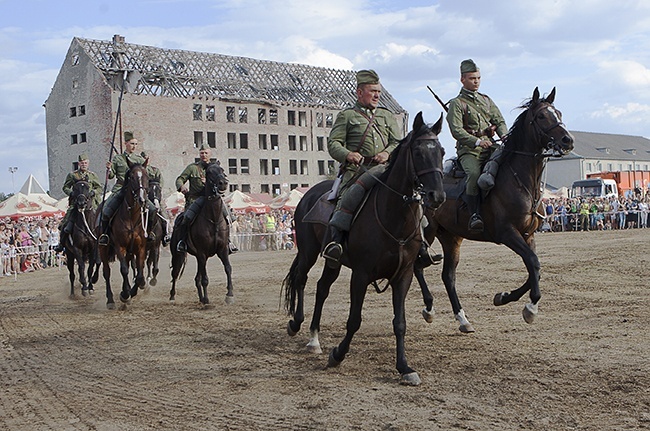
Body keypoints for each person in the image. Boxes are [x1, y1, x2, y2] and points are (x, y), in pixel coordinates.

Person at [322, 69, 401, 265]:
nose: (376, 95)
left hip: (384, 170)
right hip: (357, 171)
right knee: (347, 197)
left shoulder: (386, 116)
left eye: (379, 92)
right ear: (359, 92)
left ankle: (421, 243)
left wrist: (387, 153)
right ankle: (336, 243)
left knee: (410, 198)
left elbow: (398, 142)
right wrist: (348, 154)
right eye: (372, 91)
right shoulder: (347, 116)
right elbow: (333, 143)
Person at [446, 59, 508, 232]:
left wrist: (504, 136)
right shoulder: (457, 104)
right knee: (473, 175)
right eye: (472, 78)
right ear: (462, 79)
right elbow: (456, 130)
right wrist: (478, 141)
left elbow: (499, 120)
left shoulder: (486, 100)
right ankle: (475, 215)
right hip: (469, 151)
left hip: (491, 147)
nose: (476, 81)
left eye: (478, 78)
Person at [98, 131, 158, 246]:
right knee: (106, 211)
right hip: (120, 188)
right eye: (132, 144)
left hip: (136, 190)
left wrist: (147, 165)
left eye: (136, 144)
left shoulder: (139, 159)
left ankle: (149, 232)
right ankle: (105, 235)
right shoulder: (118, 159)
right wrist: (109, 169)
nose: (134, 146)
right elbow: (111, 175)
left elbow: (147, 174)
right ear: (126, 143)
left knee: (153, 209)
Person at [174, 145, 237, 253]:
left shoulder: (215, 168)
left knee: (228, 218)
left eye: (206, 153)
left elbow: (223, 180)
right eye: (202, 153)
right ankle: (183, 242)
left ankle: (227, 242)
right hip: (195, 199)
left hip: (212, 200)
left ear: (210, 154)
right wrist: (181, 187)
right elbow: (180, 179)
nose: (204, 155)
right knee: (186, 218)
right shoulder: (192, 168)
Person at [54, 153, 103, 253]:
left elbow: (99, 187)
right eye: (82, 163)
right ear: (79, 164)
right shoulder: (73, 175)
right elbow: (65, 187)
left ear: (88, 163)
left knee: (102, 220)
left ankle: (105, 240)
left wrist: (94, 192)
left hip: (91, 203)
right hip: (76, 203)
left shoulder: (92, 175)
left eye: (85, 163)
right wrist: (71, 193)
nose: (84, 164)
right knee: (66, 222)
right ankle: (61, 243)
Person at [141, 151, 170, 246]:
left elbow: (160, 182)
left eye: (145, 158)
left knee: (164, 214)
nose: (144, 160)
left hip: (155, 195)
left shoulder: (155, 170)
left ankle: (166, 235)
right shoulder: (140, 170)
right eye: (143, 158)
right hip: (145, 194)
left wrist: (157, 193)